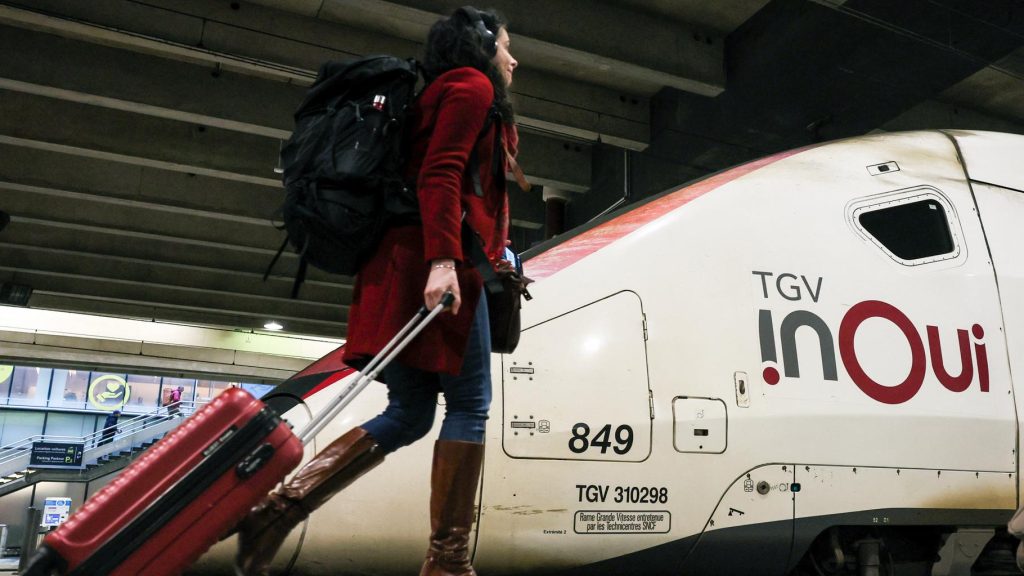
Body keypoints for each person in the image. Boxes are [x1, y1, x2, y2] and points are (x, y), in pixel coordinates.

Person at [233, 6, 521, 576]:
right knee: (469, 405)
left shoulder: (444, 89)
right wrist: (444, 261)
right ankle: (448, 562)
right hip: (434, 264)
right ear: (480, 48)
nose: (513, 60)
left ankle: (274, 513)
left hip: (399, 264)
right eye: (506, 47)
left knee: (411, 411)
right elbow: (440, 173)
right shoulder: (470, 86)